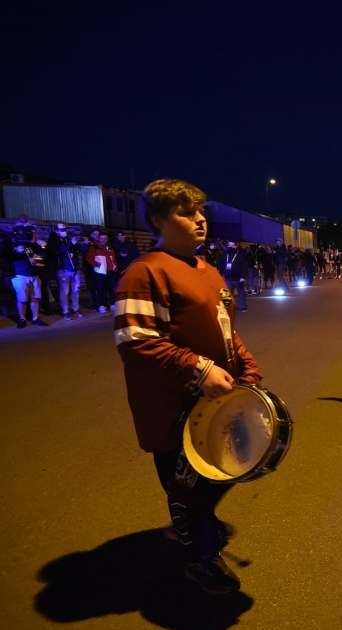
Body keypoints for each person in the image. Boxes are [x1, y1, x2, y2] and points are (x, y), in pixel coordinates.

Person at [116, 178, 261, 595]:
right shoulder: (144, 272)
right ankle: (200, 559)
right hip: (172, 408)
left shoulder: (208, 269)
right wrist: (199, 368)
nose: (199, 219)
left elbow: (226, 331)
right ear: (159, 219)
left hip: (214, 404)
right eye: (185, 212)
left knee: (229, 468)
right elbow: (136, 342)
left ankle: (191, 525)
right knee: (188, 487)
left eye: (200, 211)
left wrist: (247, 369)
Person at [47, 223, 85, 320]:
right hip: (63, 270)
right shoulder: (53, 240)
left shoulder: (68, 238)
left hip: (74, 269)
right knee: (65, 292)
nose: (65, 232)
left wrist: (85, 243)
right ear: (56, 231)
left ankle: (76, 309)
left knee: (76, 290)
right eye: (62, 230)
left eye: (66, 229)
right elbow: (57, 250)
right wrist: (71, 243)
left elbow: (81, 250)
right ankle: (65, 311)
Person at [10, 240, 48, 328]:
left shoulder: (31, 248)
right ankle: (22, 319)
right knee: (22, 299)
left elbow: (42, 256)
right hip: (20, 276)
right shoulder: (14, 251)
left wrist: (41, 246)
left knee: (35, 298)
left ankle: (35, 318)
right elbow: (11, 257)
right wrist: (19, 250)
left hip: (34, 276)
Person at [86, 232, 117, 312]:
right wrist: (98, 265)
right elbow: (89, 259)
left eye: (105, 238)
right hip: (100, 271)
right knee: (101, 289)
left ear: (108, 239)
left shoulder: (110, 247)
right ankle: (101, 305)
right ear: (98, 238)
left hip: (111, 271)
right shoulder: (94, 247)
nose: (103, 240)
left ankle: (112, 304)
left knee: (111, 288)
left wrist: (115, 267)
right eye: (101, 238)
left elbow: (113, 259)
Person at [219, 241, 249, 312]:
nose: (230, 247)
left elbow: (245, 266)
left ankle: (243, 306)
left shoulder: (241, 255)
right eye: (229, 245)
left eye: (232, 245)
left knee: (241, 292)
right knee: (227, 293)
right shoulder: (224, 254)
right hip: (228, 277)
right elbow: (221, 265)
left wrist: (243, 277)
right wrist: (220, 274)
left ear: (236, 246)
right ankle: (228, 307)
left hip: (238, 277)